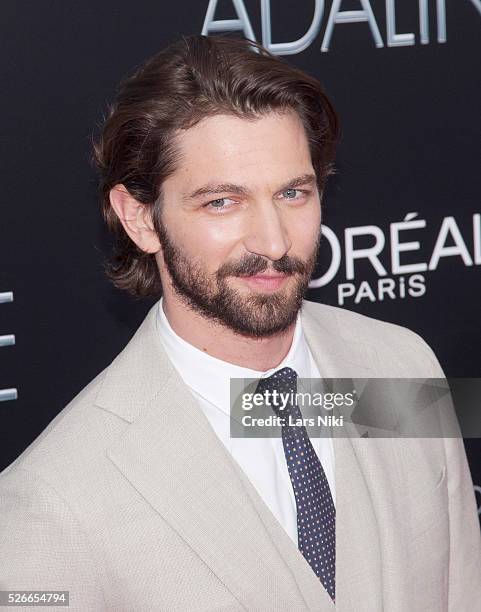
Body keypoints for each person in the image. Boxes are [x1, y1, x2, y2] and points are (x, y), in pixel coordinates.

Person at [0, 34, 479, 611]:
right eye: (222, 202)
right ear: (140, 219)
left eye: (293, 193)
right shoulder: (50, 507)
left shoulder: (402, 366)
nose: (274, 241)